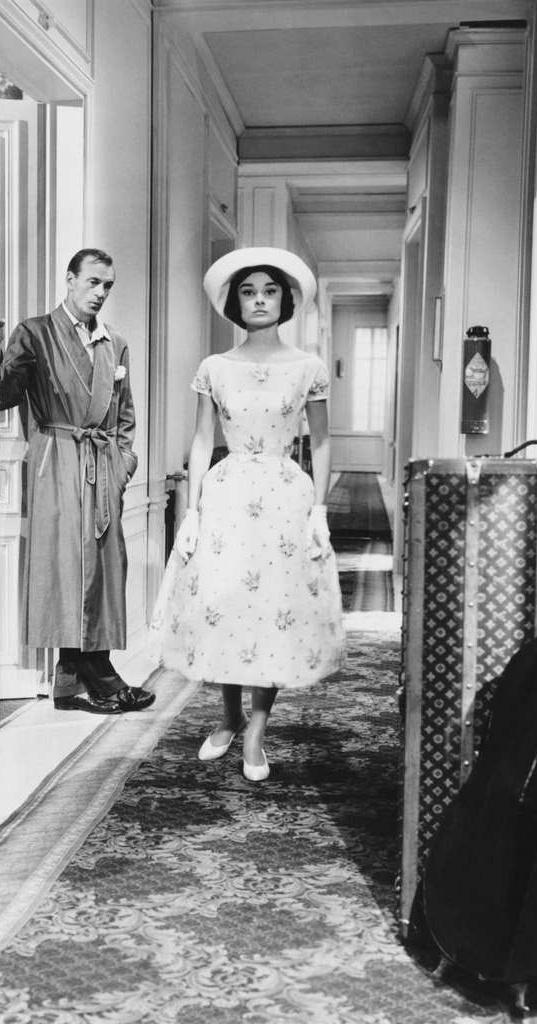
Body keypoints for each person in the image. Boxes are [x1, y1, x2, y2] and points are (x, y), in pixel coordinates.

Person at [147, 246, 344, 779]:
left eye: (269, 291)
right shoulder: (215, 367)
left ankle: (256, 730)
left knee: (273, 610)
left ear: (285, 301)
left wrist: (319, 511)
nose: (259, 300)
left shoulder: (308, 367)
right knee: (225, 604)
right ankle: (228, 716)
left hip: (285, 495)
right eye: (249, 292)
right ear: (235, 303)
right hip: (227, 494)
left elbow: (322, 443)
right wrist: (191, 512)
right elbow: (201, 439)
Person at [0, 248, 154, 714]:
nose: (101, 293)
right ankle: (99, 675)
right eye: (92, 282)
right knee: (68, 567)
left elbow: (125, 417)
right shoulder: (35, 334)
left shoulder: (115, 344)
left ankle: (75, 678)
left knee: (103, 568)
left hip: (101, 467)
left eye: (108, 285)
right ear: (69, 280)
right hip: (57, 461)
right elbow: (2, 395)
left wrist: (122, 467)